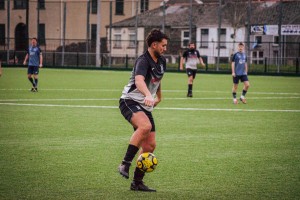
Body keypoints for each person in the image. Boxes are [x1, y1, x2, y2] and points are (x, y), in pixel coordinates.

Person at [118, 29, 169, 192]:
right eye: (163, 45)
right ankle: (125, 163)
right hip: (129, 101)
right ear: (154, 44)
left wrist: (158, 97)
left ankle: (137, 183)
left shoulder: (162, 61)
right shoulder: (143, 60)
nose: (165, 48)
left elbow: (157, 79)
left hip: (145, 105)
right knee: (145, 127)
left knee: (150, 146)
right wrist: (148, 94)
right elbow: (139, 81)